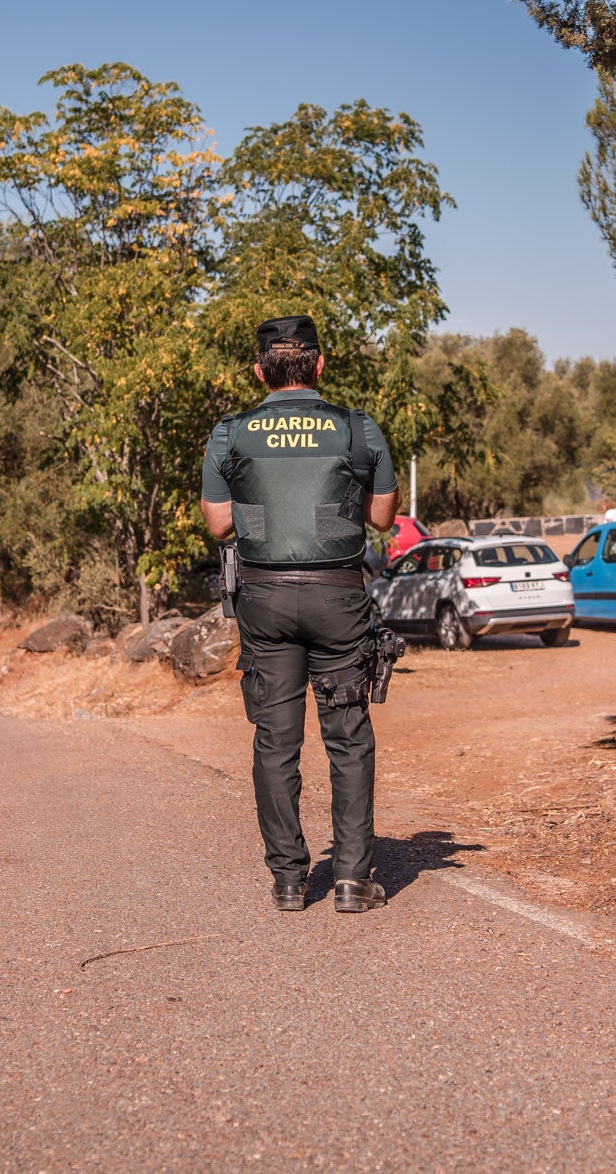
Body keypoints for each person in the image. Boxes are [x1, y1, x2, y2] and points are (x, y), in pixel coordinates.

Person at [200, 316, 399, 913]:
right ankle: (351, 881)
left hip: (263, 600)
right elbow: (384, 519)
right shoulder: (357, 429)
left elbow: (218, 524)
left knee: (275, 740)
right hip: (337, 598)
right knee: (348, 737)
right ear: (319, 365)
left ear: (261, 371)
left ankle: (289, 881)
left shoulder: (230, 433)